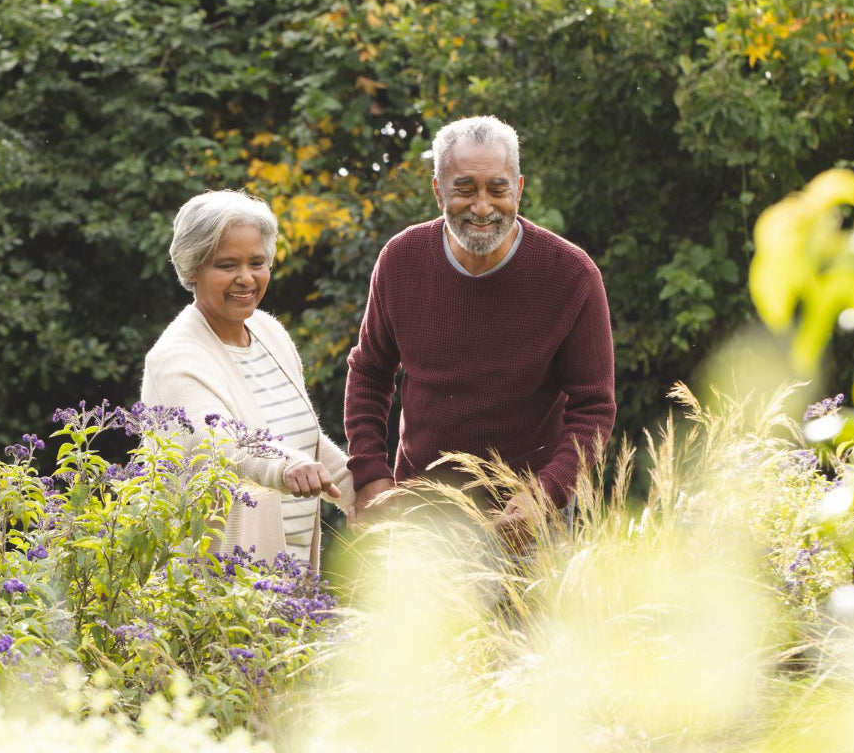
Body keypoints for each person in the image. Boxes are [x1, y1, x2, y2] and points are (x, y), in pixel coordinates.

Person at [343, 115, 615, 543]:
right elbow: (369, 371)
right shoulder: (400, 261)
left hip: (524, 511)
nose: (483, 207)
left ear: (519, 188)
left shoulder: (571, 275)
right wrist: (370, 472)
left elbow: (593, 408)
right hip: (421, 505)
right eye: (465, 189)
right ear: (438, 191)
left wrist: (547, 492)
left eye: (498, 189)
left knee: (531, 614)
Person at [141, 190, 353, 568]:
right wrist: (286, 467)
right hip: (222, 589)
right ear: (192, 269)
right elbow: (222, 445)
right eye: (226, 265)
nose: (246, 278)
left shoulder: (269, 332)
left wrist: (365, 492)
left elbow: (306, 440)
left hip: (294, 583)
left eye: (257, 262)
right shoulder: (175, 357)